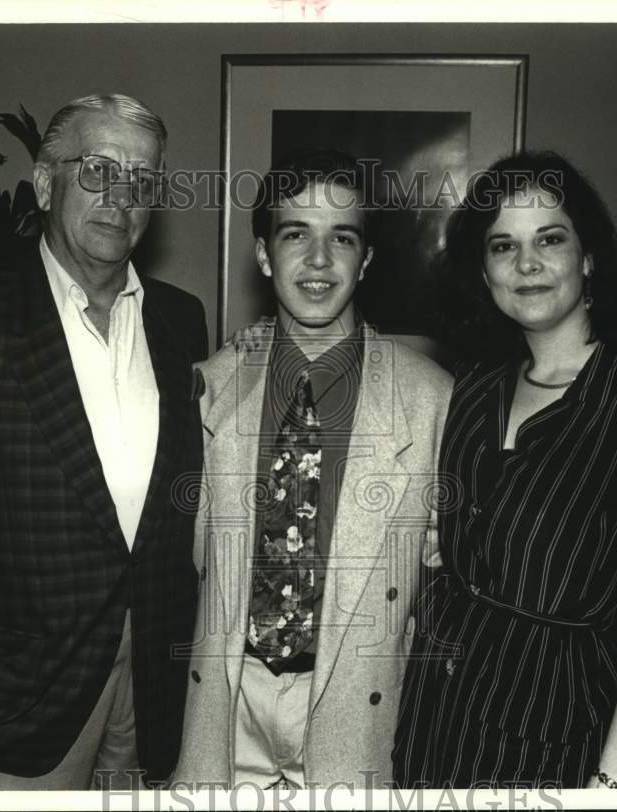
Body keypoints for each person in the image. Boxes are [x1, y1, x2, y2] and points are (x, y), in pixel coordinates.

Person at [0, 93, 208, 789]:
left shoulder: (180, 321)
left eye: (142, 179)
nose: (122, 195)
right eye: (98, 169)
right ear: (46, 184)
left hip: (149, 690)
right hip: (4, 702)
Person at [393, 151, 617, 789]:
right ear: (483, 271)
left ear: (589, 257)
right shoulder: (470, 393)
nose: (527, 264)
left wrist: (615, 780)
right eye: (503, 246)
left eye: (550, 238)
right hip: (433, 718)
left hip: (559, 732)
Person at [172, 149, 453, 789]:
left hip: (356, 704)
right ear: (266, 255)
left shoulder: (431, 399)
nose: (319, 261)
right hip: (228, 700)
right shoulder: (210, 387)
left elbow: (444, 575)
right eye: (296, 234)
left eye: (342, 238)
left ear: (368, 260)